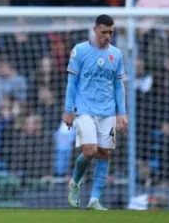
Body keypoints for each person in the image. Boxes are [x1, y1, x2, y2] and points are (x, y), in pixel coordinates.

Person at [63, 14, 128, 211]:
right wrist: (68, 110)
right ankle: (75, 182)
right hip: (84, 110)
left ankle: (94, 200)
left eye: (111, 32)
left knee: (104, 154)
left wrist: (122, 113)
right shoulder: (80, 51)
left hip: (107, 112)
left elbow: (118, 86)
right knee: (90, 151)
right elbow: (72, 83)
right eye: (104, 32)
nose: (107, 36)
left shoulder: (116, 54)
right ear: (95, 29)